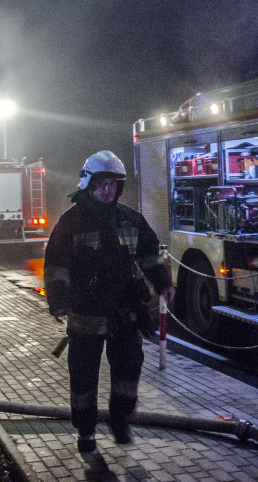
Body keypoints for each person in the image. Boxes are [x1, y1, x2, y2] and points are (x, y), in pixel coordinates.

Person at [44, 150, 176, 454]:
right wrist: (58, 299)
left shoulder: (130, 219)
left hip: (125, 313)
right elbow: (57, 264)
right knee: (83, 376)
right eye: (102, 184)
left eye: (114, 185)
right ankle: (86, 431)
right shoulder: (71, 221)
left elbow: (149, 254)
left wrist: (163, 283)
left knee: (129, 370)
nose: (108, 190)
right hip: (86, 313)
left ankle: (121, 421)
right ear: (89, 183)